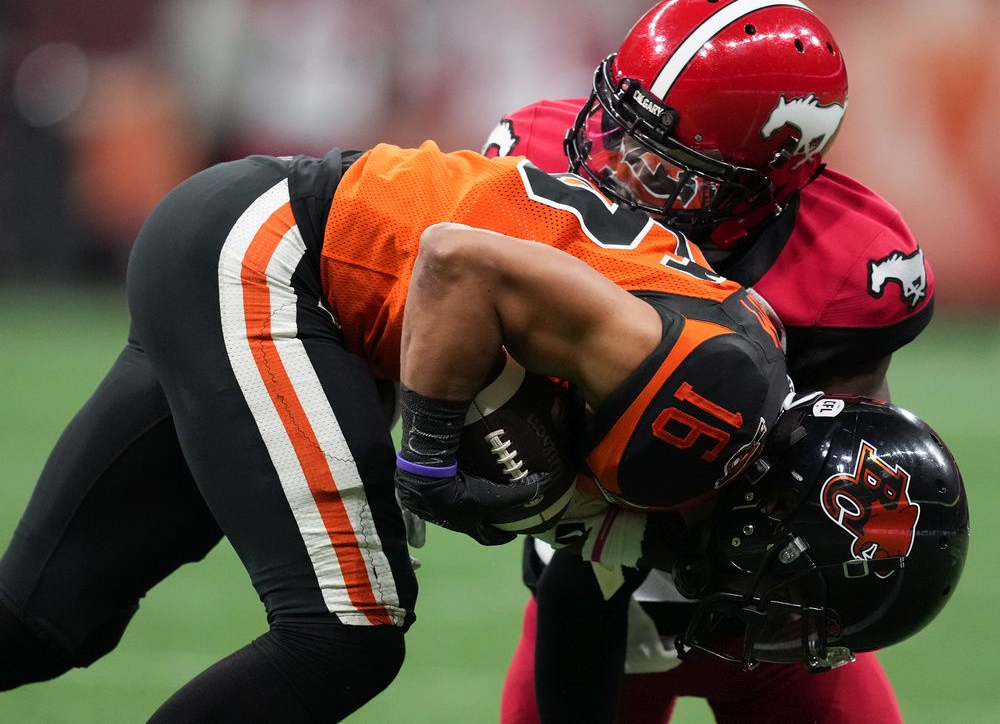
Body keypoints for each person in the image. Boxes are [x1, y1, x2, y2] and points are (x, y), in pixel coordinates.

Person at [0, 140, 788, 722]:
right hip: (279, 256)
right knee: (343, 636)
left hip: (252, 242)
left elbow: (583, 594)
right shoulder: (695, 393)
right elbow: (454, 261)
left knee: (42, 620)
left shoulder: (728, 392)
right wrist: (431, 454)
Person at [482, 0, 936, 723]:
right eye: (620, 128)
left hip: (769, 612)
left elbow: (838, 476)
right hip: (583, 592)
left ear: (766, 182)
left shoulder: (848, 267)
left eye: (664, 165)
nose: (616, 169)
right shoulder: (533, 164)